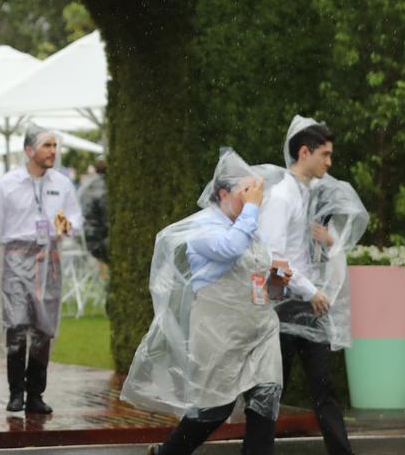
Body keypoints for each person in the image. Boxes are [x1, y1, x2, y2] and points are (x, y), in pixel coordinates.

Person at [122, 149, 289, 455]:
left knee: (265, 401)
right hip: (219, 336)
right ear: (223, 193)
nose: (255, 199)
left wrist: (277, 284)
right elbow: (229, 248)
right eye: (246, 192)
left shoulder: (251, 230)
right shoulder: (202, 230)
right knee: (213, 411)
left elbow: (262, 285)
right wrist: (251, 210)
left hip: (260, 331)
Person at [260, 117, 367, 455]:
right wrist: (309, 292)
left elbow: (303, 253)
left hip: (307, 304)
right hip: (287, 305)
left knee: (322, 387)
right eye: (325, 154)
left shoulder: (307, 196)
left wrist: (326, 241)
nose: (329, 162)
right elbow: (274, 258)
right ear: (304, 152)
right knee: (271, 389)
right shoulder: (282, 197)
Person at [0, 126, 83, 414]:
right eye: (47, 145)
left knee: (44, 328)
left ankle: (36, 393)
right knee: (17, 324)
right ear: (29, 150)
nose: (53, 151)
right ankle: (16, 392)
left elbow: (75, 216)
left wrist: (65, 226)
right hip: (16, 259)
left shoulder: (61, 183)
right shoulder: (8, 184)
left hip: (49, 260)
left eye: (55, 145)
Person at [79, 158, 109, 264]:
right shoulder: (104, 187)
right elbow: (107, 220)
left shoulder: (89, 183)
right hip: (96, 241)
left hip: (84, 237)